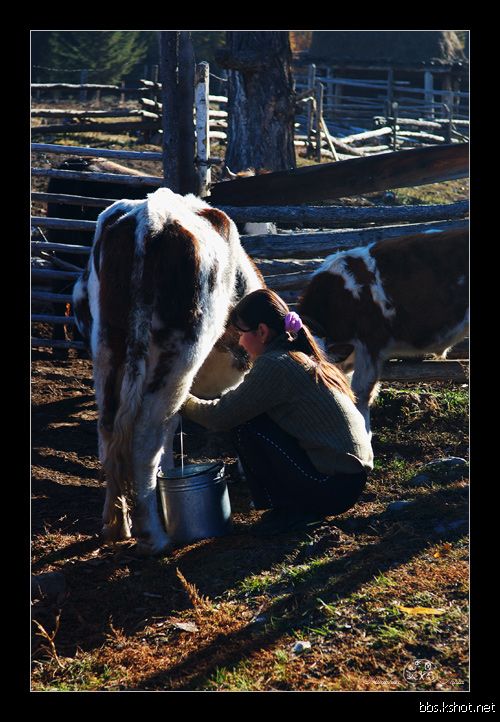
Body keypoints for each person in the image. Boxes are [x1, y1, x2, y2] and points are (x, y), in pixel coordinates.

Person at [180, 289, 373, 535]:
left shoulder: (276, 364)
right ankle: (289, 508)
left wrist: (180, 398)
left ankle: (290, 511)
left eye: (241, 333)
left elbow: (221, 415)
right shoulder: (297, 357)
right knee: (252, 416)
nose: (240, 342)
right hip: (345, 482)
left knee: (245, 425)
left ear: (262, 332)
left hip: (331, 487)